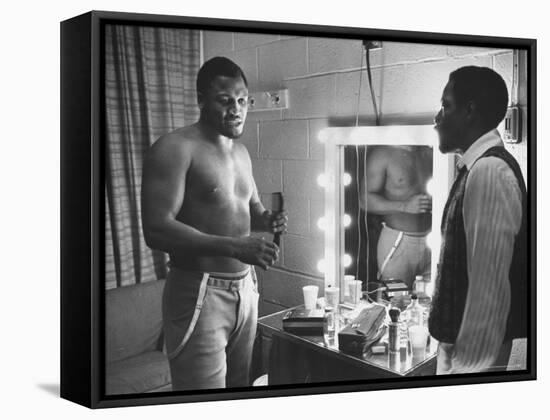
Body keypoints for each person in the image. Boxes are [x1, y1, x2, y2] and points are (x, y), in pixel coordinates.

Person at [141, 56, 287, 390]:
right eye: (224, 101)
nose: (236, 109)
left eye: (241, 101)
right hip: (200, 290)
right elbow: (156, 228)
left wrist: (268, 219)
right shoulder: (175, 148)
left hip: (245, 288)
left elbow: (251, 208)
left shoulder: (242, 153)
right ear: (201, 100)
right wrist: (236, 246)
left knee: (237, 390)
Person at [429, 66, 527, 374]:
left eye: (446, 106)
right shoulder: (476, 169)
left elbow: (489, 296)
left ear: (470, 110)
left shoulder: (489, 173)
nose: (437, 118)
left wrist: (464, 374)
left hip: (471, 362)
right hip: (459, 351)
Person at [360, 145, 433, 290]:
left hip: (431, 241)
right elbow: (364, 200)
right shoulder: (383, 154)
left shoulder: (430, 151)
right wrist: (404, 206)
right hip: (398, 243)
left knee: (429, 303)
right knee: (396, 301)